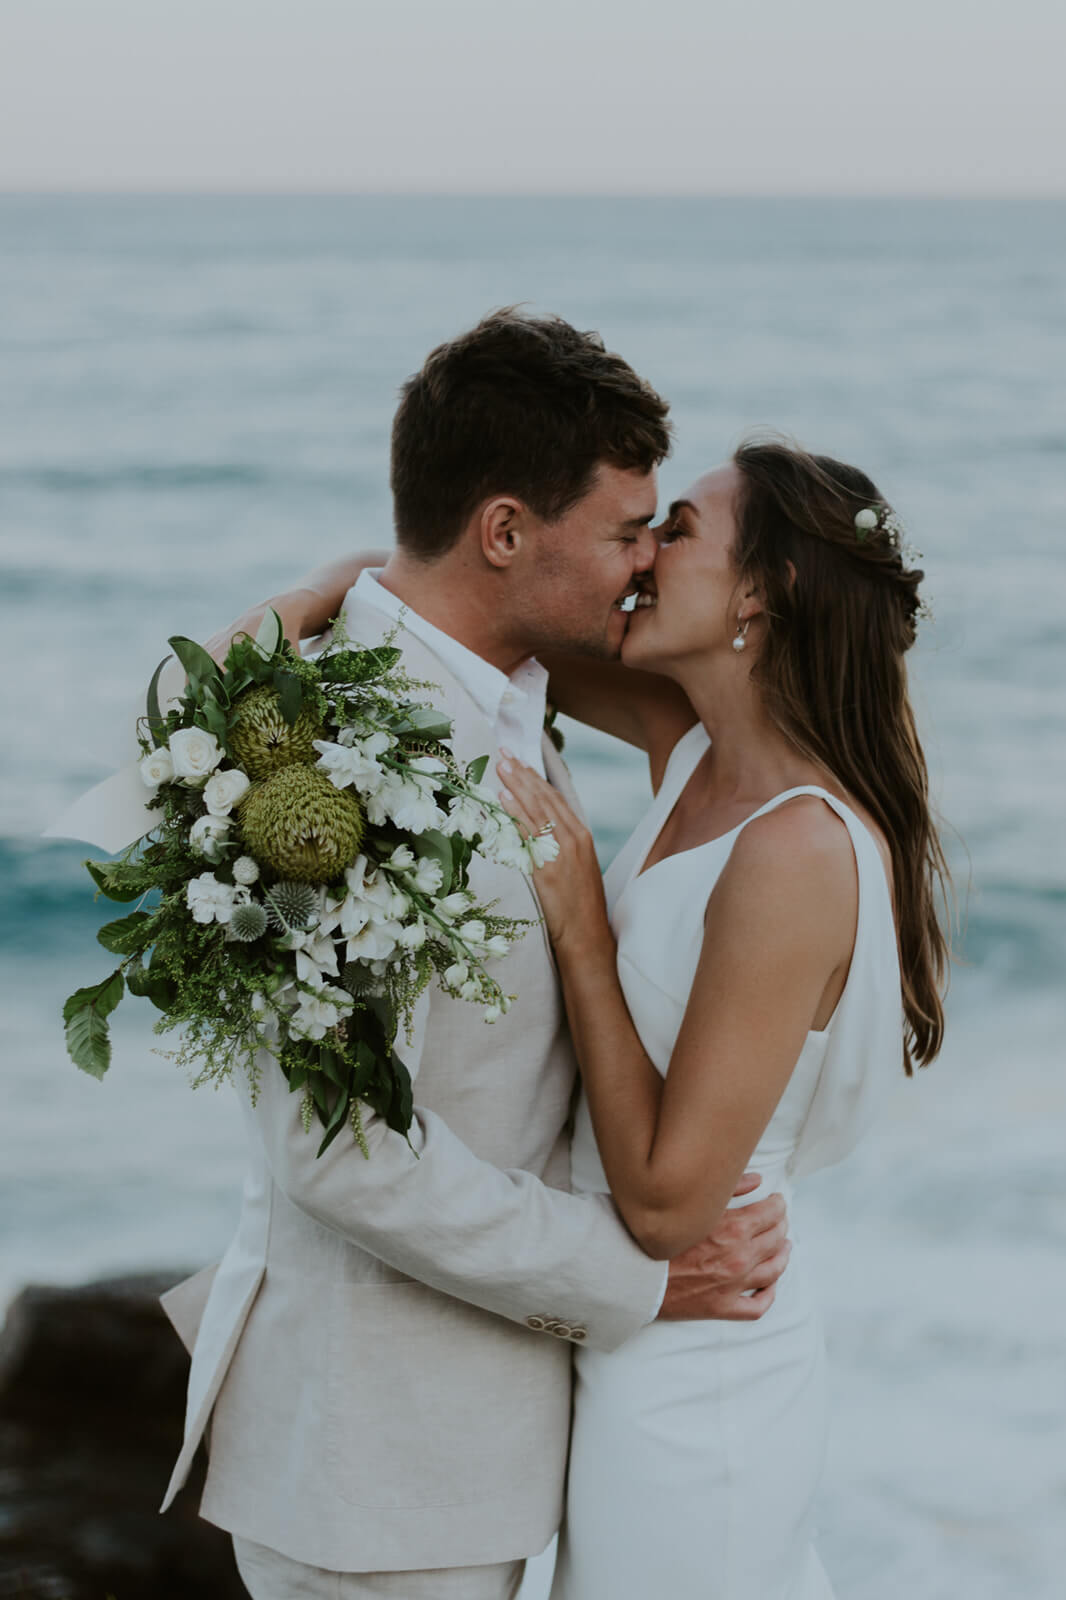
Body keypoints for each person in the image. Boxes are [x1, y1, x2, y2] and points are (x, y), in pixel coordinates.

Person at [158, 312, 790, 1600]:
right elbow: (339, 1148)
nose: (638, 566)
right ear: (503, 531)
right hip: (372, 1469)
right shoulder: (322, 761)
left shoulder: (498, 700)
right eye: (624, 532)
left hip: (467, 1451)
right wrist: (634, 1278)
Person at [496, 440, 951, 1597]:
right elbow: (487, 621)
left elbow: (661, 1202)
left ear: (763, 590)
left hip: (700, 1387)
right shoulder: (692, 750)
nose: (644, 557)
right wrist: (320, 597)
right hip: (631, 1337)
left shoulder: (795, 848)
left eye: (680, 529)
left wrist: (581, 928)